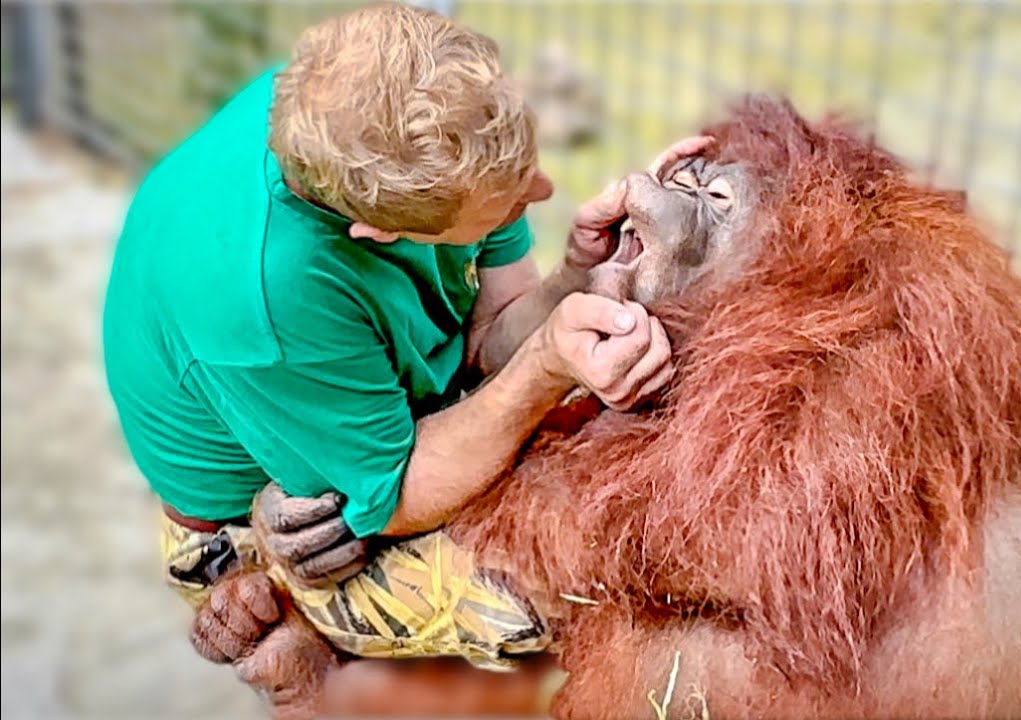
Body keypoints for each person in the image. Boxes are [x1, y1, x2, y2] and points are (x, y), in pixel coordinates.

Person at [102, 3, 706, 716]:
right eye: (509, 204)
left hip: (362, 413)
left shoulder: (382, 114)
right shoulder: (266, 298)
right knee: (547, 593)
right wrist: (545, 366)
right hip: (276, 514)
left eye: (527, 168)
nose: (541, 193)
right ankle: (304, 638)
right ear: (379, 231)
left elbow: (490, 337)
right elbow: (392, 495)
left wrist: (576, 272)